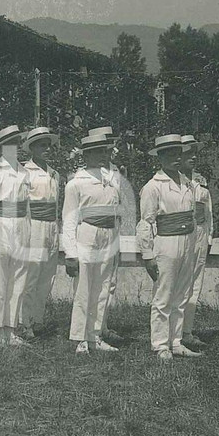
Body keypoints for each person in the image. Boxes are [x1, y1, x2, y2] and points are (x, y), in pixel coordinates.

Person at [137, 134, 201, 361]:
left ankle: (176, 341)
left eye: (178, 154)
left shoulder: (187, 183)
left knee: (182, 294)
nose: (175, 158)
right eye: (169, 154)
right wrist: (148, 255)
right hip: (166, 243)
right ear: (160, 158)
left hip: (187, 241)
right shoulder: (153, 187)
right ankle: (160, 344)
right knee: (163, 295)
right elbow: (146, 222)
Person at [63, 133, 121, 354]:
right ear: (86, 155)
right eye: (97, 151)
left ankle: (95, 335)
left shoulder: (113, 178)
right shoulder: (76, 183)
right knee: (84, 287)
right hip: (87, 234)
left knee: (104, 286)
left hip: (109, 234)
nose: (103, 156)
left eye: (105, 151)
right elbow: (68, 220)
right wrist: (70, 253)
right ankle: (80, 339)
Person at [0, 125, 32, 346]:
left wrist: (29, 234)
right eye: (9, 143)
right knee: (0, 278)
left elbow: (27, 207)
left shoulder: (25, 172)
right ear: (1, 147)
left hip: (21, 226)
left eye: (17, 142)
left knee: (19, 278)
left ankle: (11, 329)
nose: (14, 147)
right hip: (1, 226)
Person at [86, 126, 136, 346]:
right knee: (91, 283)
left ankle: (102, 326)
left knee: (110, 282)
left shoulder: (116, 172)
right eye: (102, 149)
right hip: (92, 233)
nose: (107, 153)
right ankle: (88, 330)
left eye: (109, 148)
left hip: (113, 231)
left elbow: (125, 204)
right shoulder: (87, 175)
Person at [18, 127, 61, 337]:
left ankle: (38, 319)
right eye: (41, 145)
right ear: (32, 148)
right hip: (34, 226)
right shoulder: (25, 172)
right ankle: (24, 322)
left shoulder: (55, 174)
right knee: (31, 276)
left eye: (48, 145)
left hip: (52, 228)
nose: (46, 149)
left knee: (47, 277)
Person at [180, 134, 213, 350]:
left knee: (194, 284)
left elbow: (208, 212)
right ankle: (170, 333)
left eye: (194, 153)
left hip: (199, 235)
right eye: (187, 153)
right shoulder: (171, 182)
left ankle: (187, 331)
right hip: (179, 236)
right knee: (177, 285)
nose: (192, 157)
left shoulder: (200, 182)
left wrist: (209, 238)